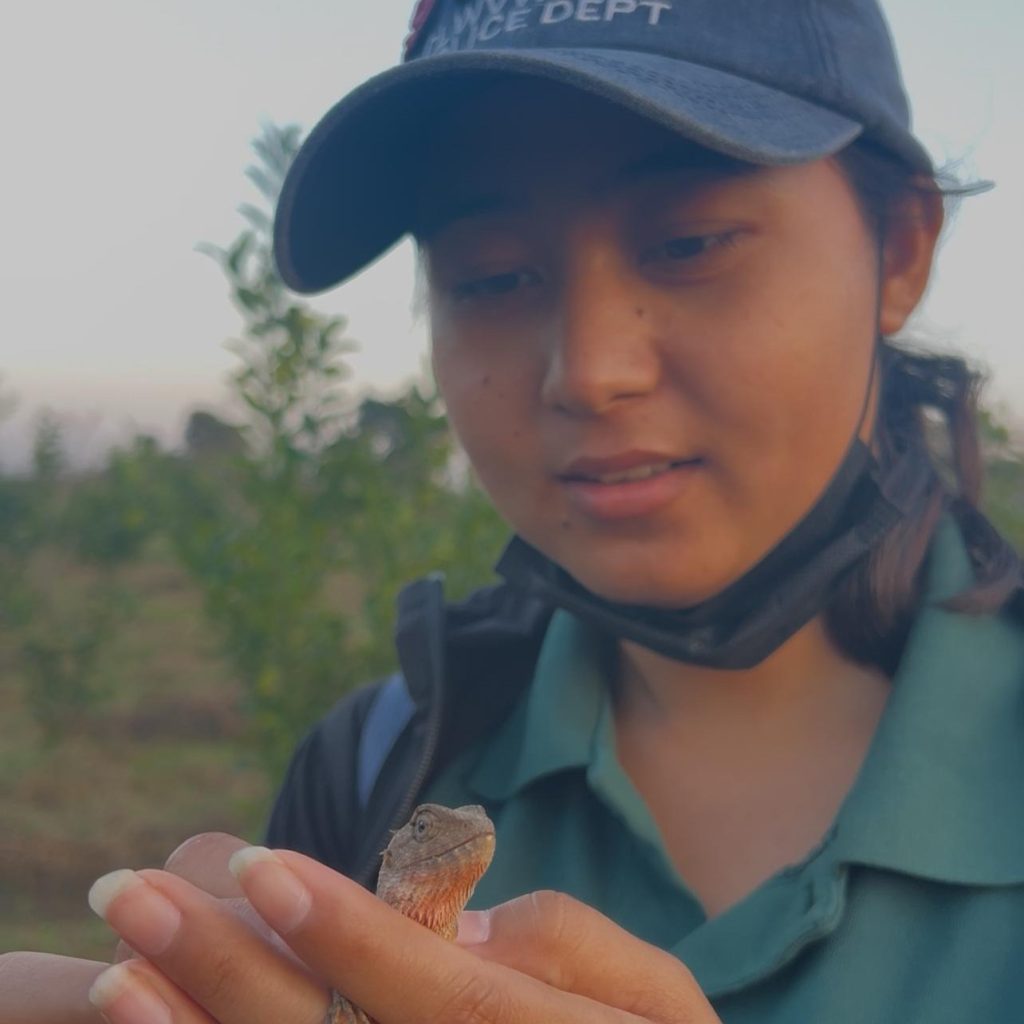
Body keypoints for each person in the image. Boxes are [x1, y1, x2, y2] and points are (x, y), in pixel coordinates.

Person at [3, 1, 1022, 1021]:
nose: (588, 371)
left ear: (899, 250)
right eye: (492, 274)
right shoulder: (379, 761)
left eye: (689, 242)